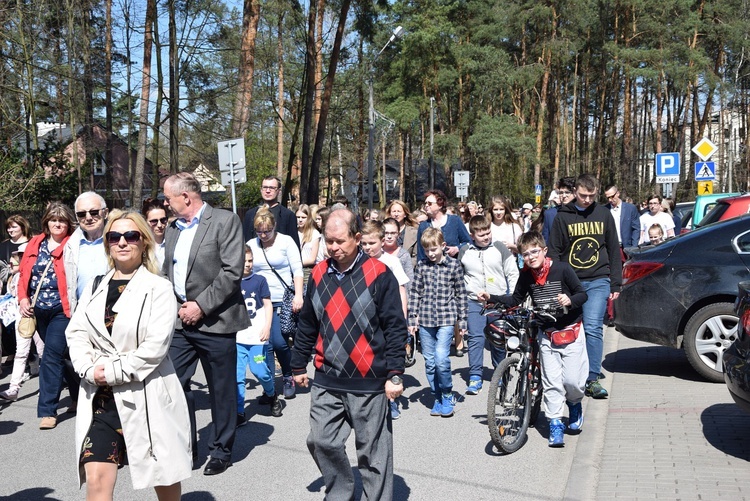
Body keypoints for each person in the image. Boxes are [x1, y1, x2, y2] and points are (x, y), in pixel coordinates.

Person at [65, 210, 191, 500]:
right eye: (114, 236)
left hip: (147, 396)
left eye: (131, 235)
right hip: (101, 400)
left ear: (143, 242)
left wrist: (108, 371)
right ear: (107, 243)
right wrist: (87, 368)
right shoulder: (96, 286)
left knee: (164, 479)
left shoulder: (159, 288)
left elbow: (154, 348)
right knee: (96, 478)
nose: (122, 242)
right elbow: (77, 332)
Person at [290, 208, 406, 501]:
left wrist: (394, 373)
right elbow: (308, 322)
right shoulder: (318, 273)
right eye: (328, 241)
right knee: (320, 440)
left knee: (373, 455)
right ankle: (341, 492)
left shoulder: (380, 275)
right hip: (327, 378)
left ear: (357, 238)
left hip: (369, 381)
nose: (333, 247)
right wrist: (297, 364)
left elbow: (394, 327)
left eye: (340, 241)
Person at [162, 172, 248, 476]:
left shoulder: (225, 221)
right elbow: (166, 272)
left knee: (221, 389)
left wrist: (201, 306)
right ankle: (186, 446)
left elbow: (230, 272)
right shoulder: (173, 229)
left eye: (168, 198)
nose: (165, 204)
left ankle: (221, 450)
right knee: (172, 384)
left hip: (216, 321)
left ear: (186, 197)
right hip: (181, 323)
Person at [479, 231, 589, 447]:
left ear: (544, 250)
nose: (530, 257)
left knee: (572, 382)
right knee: (552, 383)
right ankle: (555, 423)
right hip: (546, 334)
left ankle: (574, 404)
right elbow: (515, 299)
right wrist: (491, 298)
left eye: (534, 252)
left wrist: (569, 299)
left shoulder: (562, 269)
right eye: (525, 254)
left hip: (571, 331)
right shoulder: (527, 275)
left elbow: (582, 294)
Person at [548, 174, 621, 400]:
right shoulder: (563, 216)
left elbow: (612, 248)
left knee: (592, 327)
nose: (587, 200)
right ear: (575, 192)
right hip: (571, 282)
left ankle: (592, 378)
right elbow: (555, 252)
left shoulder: (603, 214)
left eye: (591, 196)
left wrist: (615, 282)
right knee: (570, 326)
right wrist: (555, 284)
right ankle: (568, 373)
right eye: (582, 195)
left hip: (598, 279)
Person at [18, 202, 79, 429]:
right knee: (63, 355)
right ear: (47, 222)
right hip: (37, 310)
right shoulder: (36, 242)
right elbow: (25, 273)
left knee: (50, 356)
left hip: (62, 310)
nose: (57, 224)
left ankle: (48, 410)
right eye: (54, 220)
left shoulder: (72, 244)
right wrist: (23, 298)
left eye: (62, 220)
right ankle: (77, 396)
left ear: (68, 224)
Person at [408, 227, 467, 417]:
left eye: (434, 249)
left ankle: (448, 393)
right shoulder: (422, 266)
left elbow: (461, 294)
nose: (431, 253)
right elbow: (415, 292)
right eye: (427, 250)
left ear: (443, 246)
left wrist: (463, 321)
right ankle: (437, 395)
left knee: (442, 358)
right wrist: (412, 318)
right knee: (430, 362)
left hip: (446, 318)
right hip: (425, 320)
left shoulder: (454, 266)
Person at [247, 208, 304, 399]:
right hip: (260, 301)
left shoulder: (286, 242)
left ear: (274, 227)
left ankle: (288, 376)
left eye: (267, 231)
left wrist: (298, 295)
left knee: (280, 342)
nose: (263, 235)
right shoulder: (251, 245)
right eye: (259, 231)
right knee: (266, 345)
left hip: (282, 299)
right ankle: (269, 385)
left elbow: (297, 269)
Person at [458, 215, 519, 395]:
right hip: (474, 301)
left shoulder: (499, 247)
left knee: (497, 339)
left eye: (488, 232)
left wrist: (512, 297)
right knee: (476, 338)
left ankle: (499, 372)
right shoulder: (464, 251)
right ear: (472, 235)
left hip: (497, 300)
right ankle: (475, 376)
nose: (486, 237)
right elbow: (459, 277)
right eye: (482, 234)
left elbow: (512, 273)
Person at [360, 220, 410, 420]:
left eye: (371, 243)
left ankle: (392, 401)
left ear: (382, 241)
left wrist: (403, 318)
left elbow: (401, 290)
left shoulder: (391, 262)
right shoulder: (359, 262)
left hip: (387, 317)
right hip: (367, 319)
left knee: (387, 359)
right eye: (363, 244)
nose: (367, 248)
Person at [236, 245, 282, 425]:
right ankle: (240, 412)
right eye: (244, 261)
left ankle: (271, 394)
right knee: (237, 377)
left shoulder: (260, 280)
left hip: (257, 337)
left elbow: (268, 305)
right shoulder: (231, 281)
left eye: (250, 261)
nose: (248, 265)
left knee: (260, 371)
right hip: (238, 338)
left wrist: (267, 327)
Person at [0, 247, 44, 402]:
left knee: (43, 351)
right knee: (21, 353)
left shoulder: (37, 272)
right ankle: (14, 388)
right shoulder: (16, 276)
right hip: (22, 317)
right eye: (19, 255)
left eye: (22, 255)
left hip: (38, 315)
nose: (19, 258)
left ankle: (48, 386)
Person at [64, 191, 110, 312]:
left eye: (94, 212)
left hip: (111, 310)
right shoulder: (71, 246)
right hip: (81, 312)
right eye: (82, 214)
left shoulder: (118, 241)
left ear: (105, 213)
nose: (88, 218)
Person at [242, 175, 301, 249]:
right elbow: (244, 243)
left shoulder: (288, 215)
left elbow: (294, 246)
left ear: (279, 191)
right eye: (265, 187)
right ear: (261, 189)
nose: (267, 191)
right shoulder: (250, 214)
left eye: (272, 188)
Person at [604, 185, 641, 249]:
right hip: (610, 247)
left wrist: (634, 247)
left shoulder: (630, 208)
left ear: (618, 193)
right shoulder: (604, 209)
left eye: (612, 196)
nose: (610, 200)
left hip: (626, 247)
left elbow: (636, 228)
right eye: (608, 198)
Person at [385, 200, 419, 267]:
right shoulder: (382, 231)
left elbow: (416, 256)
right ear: (390, 214)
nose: (396, 214)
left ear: (405, 214)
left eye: (399, 211)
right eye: (394, 211)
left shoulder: (414, 233)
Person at [382, 217, 414, 283]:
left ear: (398, 235)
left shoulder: (404, 255)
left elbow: (409, 280)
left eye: (393, 233)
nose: (389, 236)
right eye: (386, 233)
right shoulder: (376, 253)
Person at [296, 204, 321, 284]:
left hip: (307, 271)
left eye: (303, 217)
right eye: (298, 217)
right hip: (293, 270)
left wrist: (296, 262)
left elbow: (312, 259)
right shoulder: (293, 232)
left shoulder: (314, 234)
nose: (300, 220)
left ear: (309, 218)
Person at [141, 197, 169, 268]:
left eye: (163, 220)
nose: (159, 225)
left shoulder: (173, 242)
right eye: (154, 221)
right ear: (145, 222)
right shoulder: (141, 246)